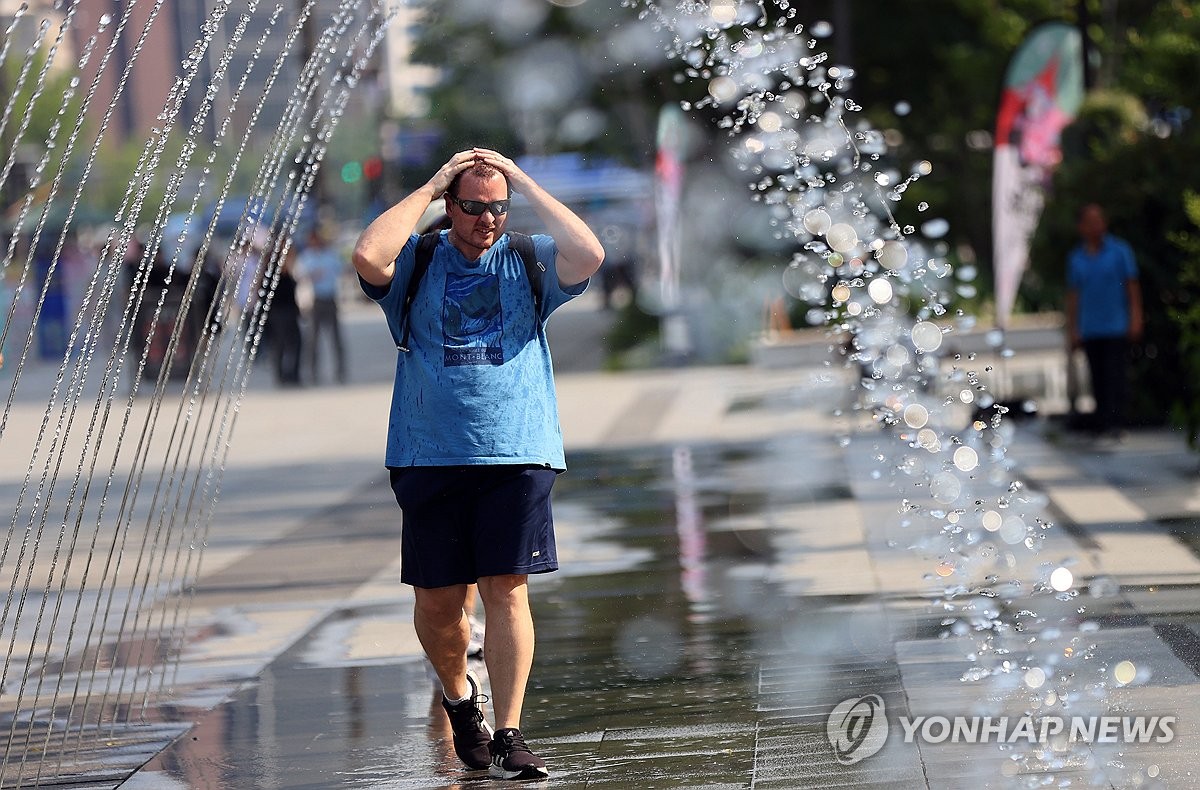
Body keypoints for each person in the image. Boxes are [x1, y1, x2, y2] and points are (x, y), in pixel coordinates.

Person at [351, 148, 603, 780]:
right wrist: (434, 182)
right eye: (471, 207)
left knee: (507, 589)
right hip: (427, 452)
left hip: (518, 448)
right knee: (439, 602)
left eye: (497, 208)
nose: (486, 220)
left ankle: (512, 731)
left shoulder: (528, 257)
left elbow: (591, 253)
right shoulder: (420, 259)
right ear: (449, 206)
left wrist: (520, 179)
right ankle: (462, 703)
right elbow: (367, 257)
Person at [1065, 203, 1143, 439]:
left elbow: (1132, 287)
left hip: (1116, 324)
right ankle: (1102, 422)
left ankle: (1117, 422)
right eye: (1090, 222)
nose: (1096, 226)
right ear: (1081, 227)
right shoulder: (1077, 258)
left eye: (1099, 220)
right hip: (1091, 327)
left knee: (1116, 375)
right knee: (1097, 376)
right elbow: (1073, 296)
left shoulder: (1120, 251)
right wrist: (1073, 329)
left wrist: (1136, 317)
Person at [297, 226, 348, 384]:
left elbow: (341, 270)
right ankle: (312, 372)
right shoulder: (306, 257)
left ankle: (340, 371)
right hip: (314, 300)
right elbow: (300, 276)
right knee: (312, 339)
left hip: (329, 298)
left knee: (336, 338)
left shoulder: (330, 255)